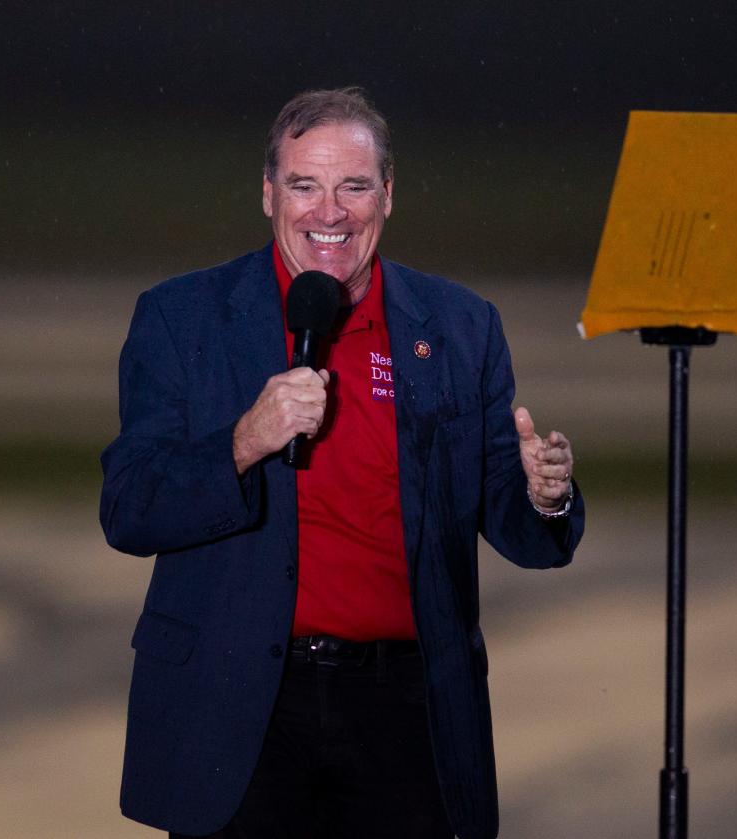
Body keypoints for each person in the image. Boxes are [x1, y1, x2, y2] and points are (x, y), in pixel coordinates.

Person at [100, 87, 584, 839]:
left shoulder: (459, 327)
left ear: (387, 195)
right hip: (240, 710)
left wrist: (544, 495)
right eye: (304, 186)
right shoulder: (184, 318)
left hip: (404, 713)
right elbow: (130, 506)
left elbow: (518, 526)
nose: (330, 212)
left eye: (353, 186)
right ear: (268, 194)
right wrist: (244, 440)